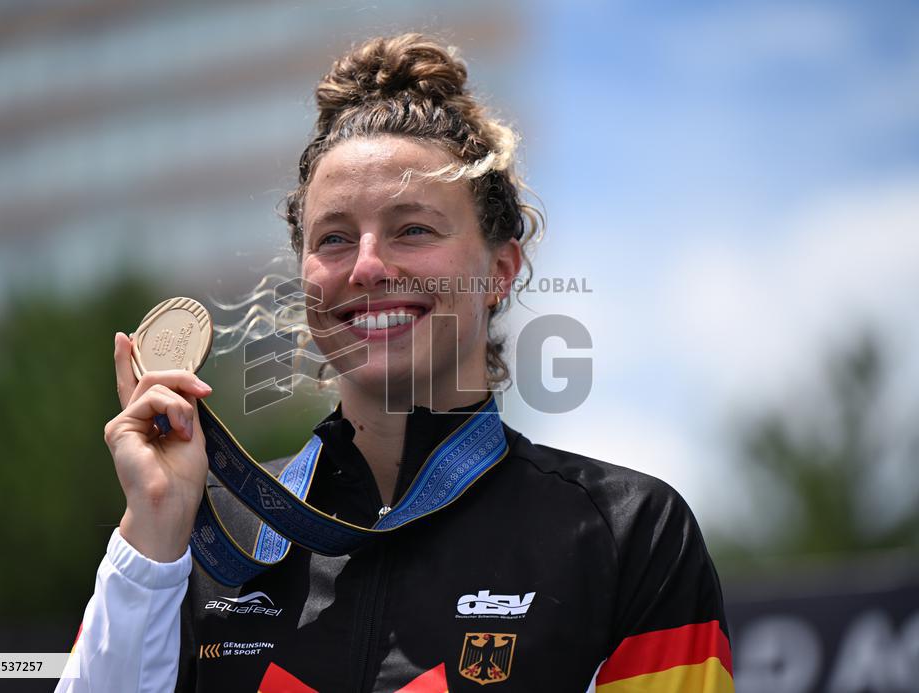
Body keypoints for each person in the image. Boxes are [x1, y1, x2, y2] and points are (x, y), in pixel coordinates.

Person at [57, 33, 734, 692]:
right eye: (334, 238)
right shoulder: (207, 532)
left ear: (500, 270)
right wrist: (153, 530)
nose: (368, 266)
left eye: (413, 229)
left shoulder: (627, 533)